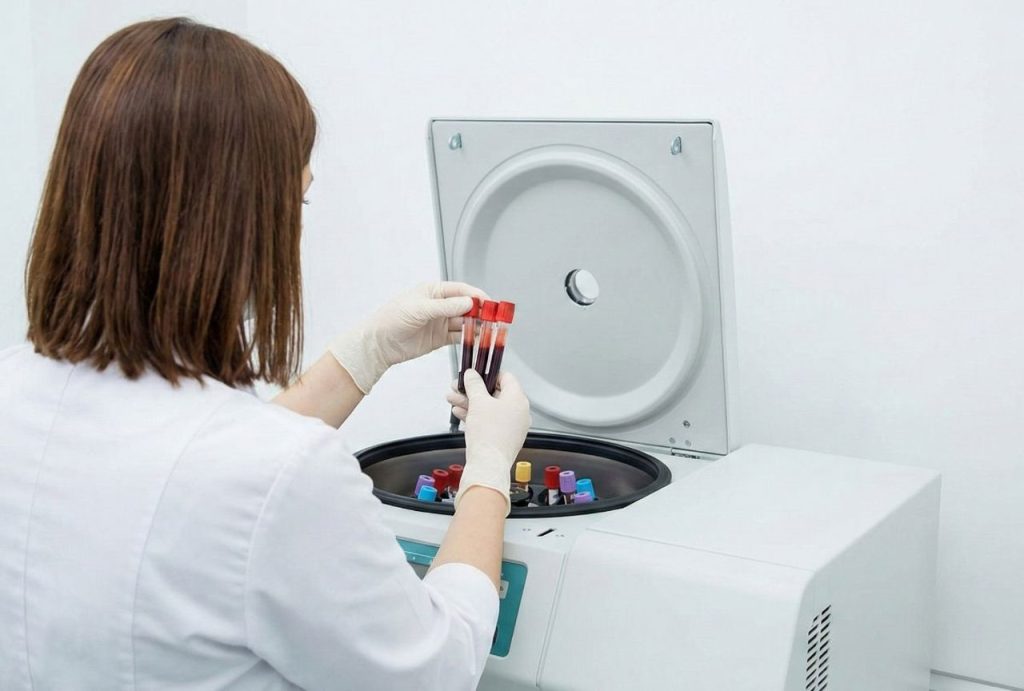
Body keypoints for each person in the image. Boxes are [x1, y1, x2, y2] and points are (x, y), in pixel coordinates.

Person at [0, 17, 529, 691]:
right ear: (234, 216)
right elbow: (439, 667)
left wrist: (368, 351)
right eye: (297, 200)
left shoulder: (12, 393)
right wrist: (487, 475)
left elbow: (183, 476)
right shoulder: (275, 475)